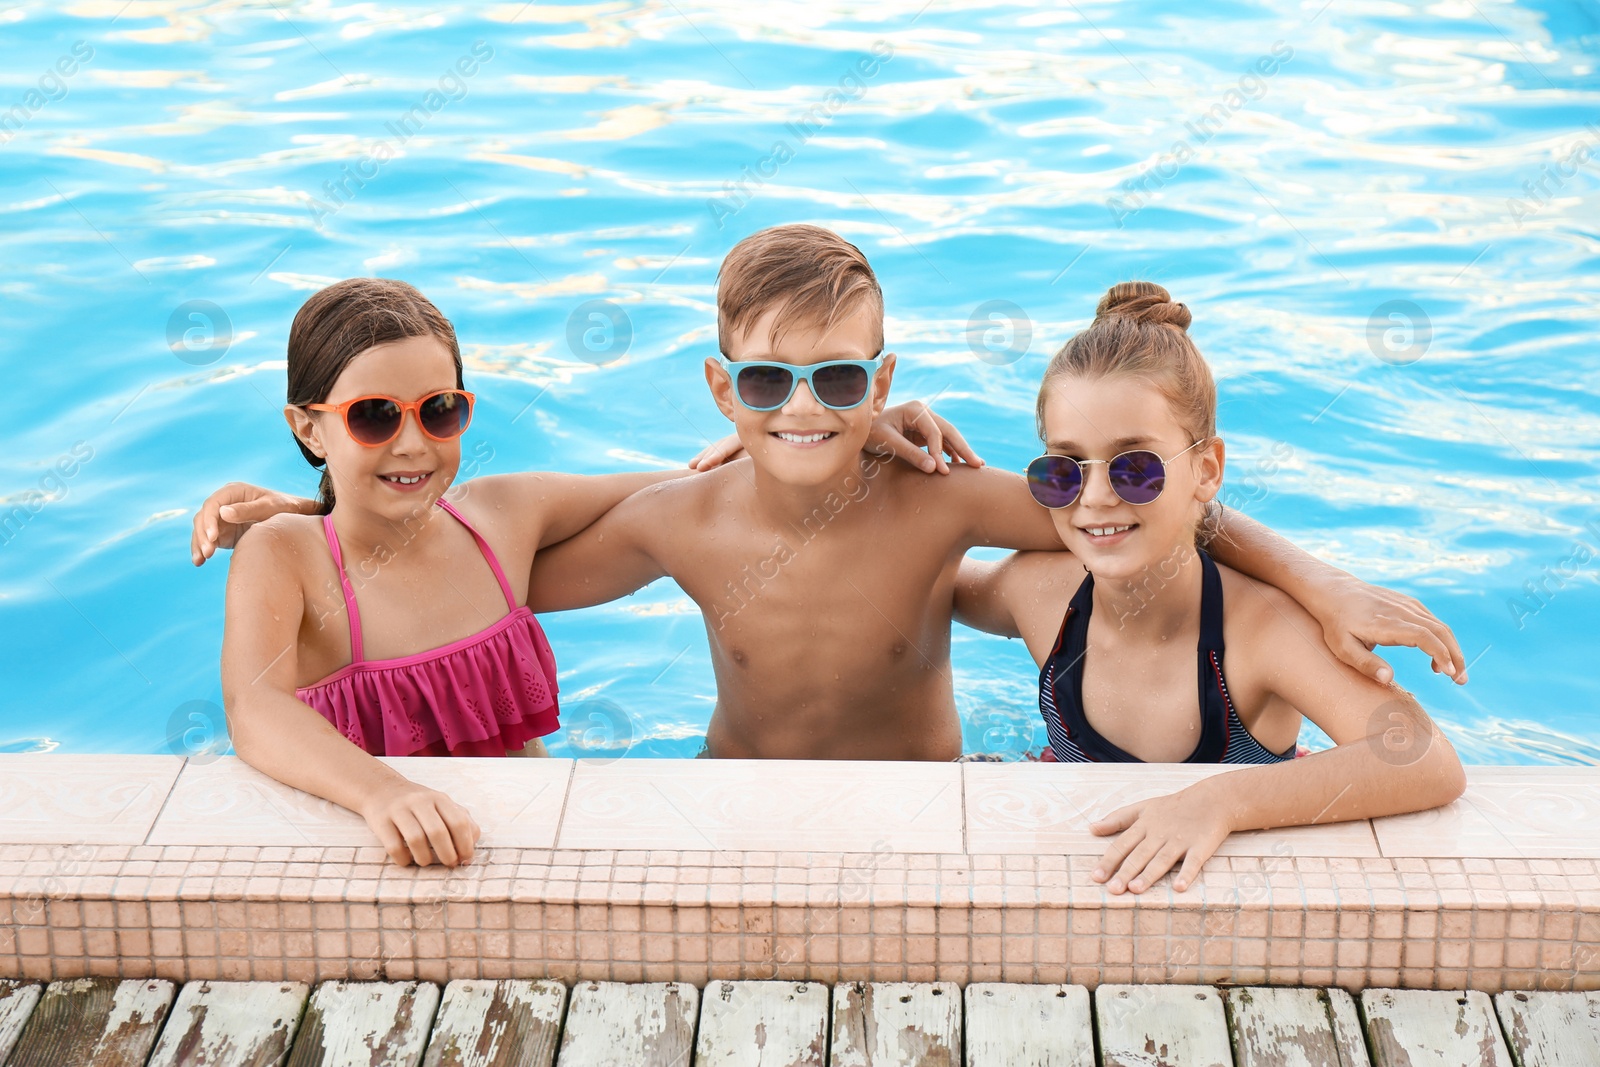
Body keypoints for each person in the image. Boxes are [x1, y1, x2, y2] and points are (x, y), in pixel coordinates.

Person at [520, 225, 1463, 759]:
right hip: (738, 792)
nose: (804, 406)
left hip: (928, 802)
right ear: (723, 390)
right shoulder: (674, 520)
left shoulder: (942, 499)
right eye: (768, 384)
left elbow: (1139, 511)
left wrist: (1320, 582)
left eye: (839, 383)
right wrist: (737, 455)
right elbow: (512, 574)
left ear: (882, 386)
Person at [954, 281, 1467, 895]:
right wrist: (873, 445)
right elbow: (916, 581)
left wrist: (1222, 802)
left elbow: (1423, 758)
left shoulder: (1260, 631)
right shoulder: (1039, 594)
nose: (1093, 498)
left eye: (1135, 468)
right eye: (1063, 470)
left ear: (1207, 469)